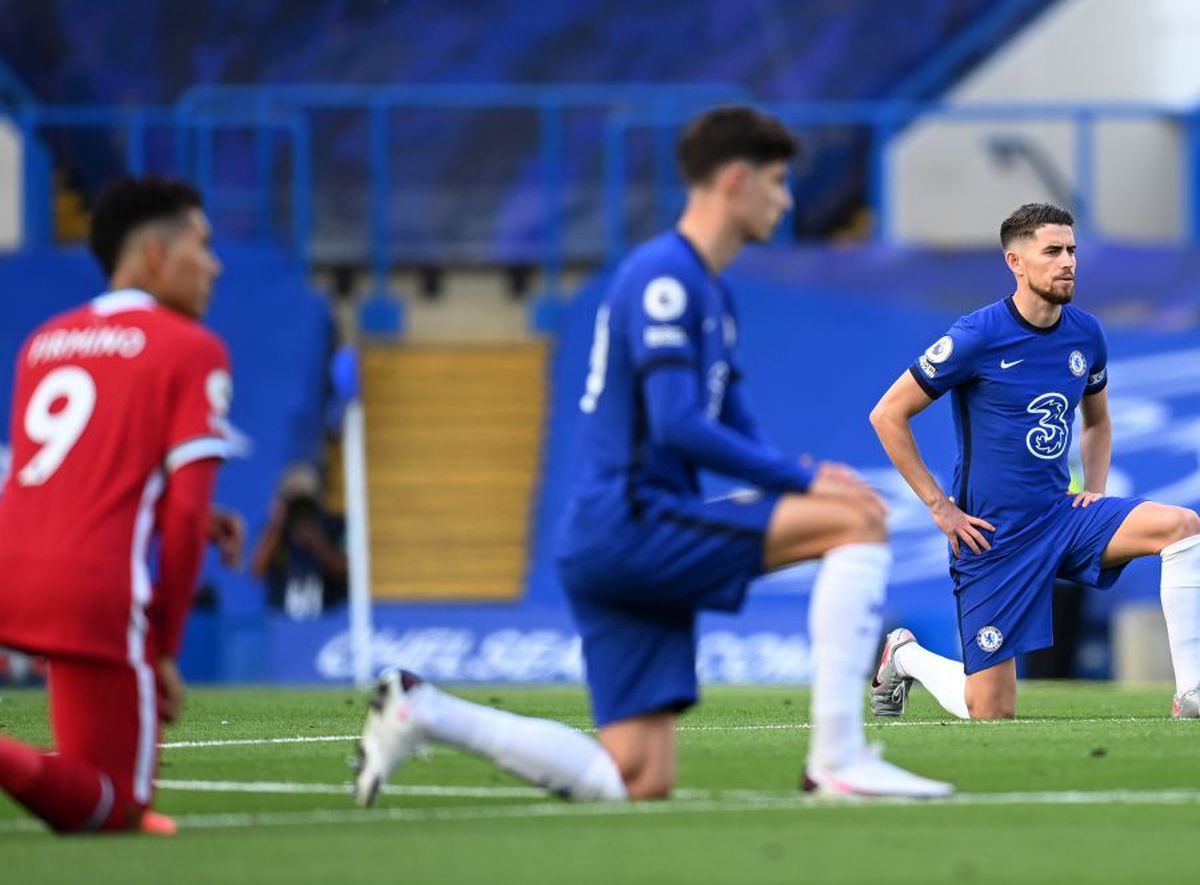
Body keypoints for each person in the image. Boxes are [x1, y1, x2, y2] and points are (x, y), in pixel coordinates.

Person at [353, 106, 952, 805]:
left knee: (638, 777)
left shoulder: (706, 291)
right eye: (779, 181)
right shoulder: (665, 279)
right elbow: (675, 426)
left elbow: (734, 419)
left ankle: (424, 710)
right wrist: (804, 482)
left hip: (612, 538)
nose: (786, 200)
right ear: (735, 181)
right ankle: (839, 759)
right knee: (859, 524)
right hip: (631, 524)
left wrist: (809, 476)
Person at [869, 203, 1200, 721]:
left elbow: (1098, 422)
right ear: (1016, 262)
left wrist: (1096, 487)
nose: (1067, 262)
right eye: (1052, 251)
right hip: (992, 534)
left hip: (1061, 516)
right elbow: (888, 415)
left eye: (1071, 250)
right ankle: (905, 655)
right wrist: (940, 507)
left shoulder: (1086, 334)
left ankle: (1191, 695)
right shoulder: (976, 335)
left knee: (1182, 525)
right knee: (990, 711)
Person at [0, 176, 231, 834]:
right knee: (118, 808)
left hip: (12, 569)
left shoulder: (44, 340)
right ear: (157, 256)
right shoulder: (192, 349)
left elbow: (73, 475)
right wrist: (164, 645)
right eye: (203, 244)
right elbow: (184, 517)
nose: (214, 265)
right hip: (95, 594)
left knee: (88, 788)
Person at [251, 463, 347, 620]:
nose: (301, 509)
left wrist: (317, 543)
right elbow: (257, 570)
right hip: (282, 621)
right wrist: (277, 522)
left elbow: (346, 570)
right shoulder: (274, 532)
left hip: (328, 619)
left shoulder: (335, 525)